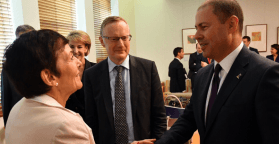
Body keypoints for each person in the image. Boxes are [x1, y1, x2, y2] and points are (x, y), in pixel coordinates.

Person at [156, 0, 279, 143]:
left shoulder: (269, 75)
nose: (196, 36)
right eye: (196, 28)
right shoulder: (203, 76)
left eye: (203, 27)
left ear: (232, 24)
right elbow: (187, 121)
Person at [84, 16, 166, 144]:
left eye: (124, 38)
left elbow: (159, 115)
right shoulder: (91, 75)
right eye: (114, 39)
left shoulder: (148, 69)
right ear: (102, 41)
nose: (121, 44)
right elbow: (91, 119)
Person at [4, 29, 95, 144]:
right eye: (71, 57)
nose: (79, 62)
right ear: (49, 77)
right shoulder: (67, 126)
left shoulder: (18, 108)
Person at [1, 24, 35, 126]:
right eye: (22, 39)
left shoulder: (43, 62)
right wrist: (7, 124)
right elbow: (6, 97)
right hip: (19, 119)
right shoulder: (9, 66)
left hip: (41, 117)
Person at [65, 30, 96, 120]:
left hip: (91, 122)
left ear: (86, 48)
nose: (75, 51)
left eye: (79, 47)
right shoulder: (63, 71)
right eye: (71, 47)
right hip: (69, 122)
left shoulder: (96, 70)